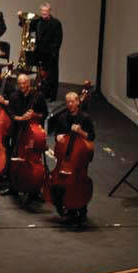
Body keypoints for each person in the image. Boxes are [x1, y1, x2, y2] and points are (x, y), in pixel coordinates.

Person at [48, 91, 95, 222]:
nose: (70, 104)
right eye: (67, 102)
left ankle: (81, 210)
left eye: (72, 101)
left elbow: (91, 136)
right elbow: (57, 133)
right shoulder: (62, 117)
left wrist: (80, 132)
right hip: (65, 159)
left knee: (78, 184)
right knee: (56, 186)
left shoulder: (85, 118)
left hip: (78, 159)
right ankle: (64, 207)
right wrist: (58, 137)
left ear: (78, 102)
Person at [4, 73, 48, 201]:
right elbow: (10, 112)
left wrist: (35, 115)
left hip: (32, 134)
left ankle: (34, 190)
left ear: (29, 83)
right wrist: (19, 118)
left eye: (24, 83)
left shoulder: (38, 96)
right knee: (14, 158)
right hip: (18, 132)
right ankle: (13, 187)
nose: (22, 86)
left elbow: (44, 113)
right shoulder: (14, 96)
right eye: (20, 83)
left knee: (32, 160)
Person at [28, 2, 63, 101]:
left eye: (46, 11)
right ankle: (42, 95)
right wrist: (20, 17)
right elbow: (27, 26)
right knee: (41, 76)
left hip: (51, 54)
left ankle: (52, 97)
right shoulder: (38, 21)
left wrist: (53, 53)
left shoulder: (56, 23)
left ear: (49, 11)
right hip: (40, 53)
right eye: (42, 11)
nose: (44, 13)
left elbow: (58, 40)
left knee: (51, 76)